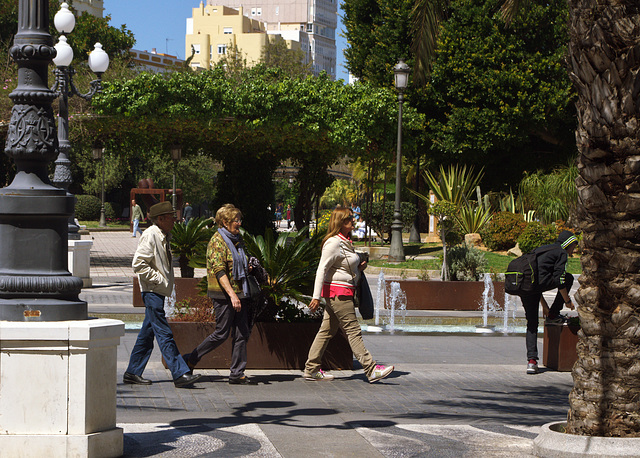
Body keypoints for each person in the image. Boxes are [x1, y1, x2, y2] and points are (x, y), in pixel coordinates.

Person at [304, 206, 394, 383]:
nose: (353, 220)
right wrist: (316, 296)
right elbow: (321, 269)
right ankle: (370, 369)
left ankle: (311, 369)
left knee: (326, 331)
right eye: (349, 219)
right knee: (353, 331)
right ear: (340, 222)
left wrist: (359, 269)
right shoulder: (333, 243)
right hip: (338, 294)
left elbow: (345, 269)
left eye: (352, 218)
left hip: (342, 292)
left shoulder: (345, 241)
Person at [124, 201, 202, 388]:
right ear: (161, 219)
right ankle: (179, 372)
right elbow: (138, 264)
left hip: (157, 291)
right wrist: (159, 280)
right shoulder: (151, 235)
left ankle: (132, 372)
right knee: (164, 333)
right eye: (171, 217)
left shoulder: (162, 235)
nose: (175, 220)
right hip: (152, 291)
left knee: (147, 334)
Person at [182, 204, 254, 385]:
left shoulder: (238, 239)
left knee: (241, 333)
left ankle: (237, 373)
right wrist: (232, 295)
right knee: (221, 333)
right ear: (225, 222)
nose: (239, 223)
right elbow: (219, 271)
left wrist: (248, 267)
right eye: (235, 220)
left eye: (239, 220)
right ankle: (191, 359)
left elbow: (237, 263)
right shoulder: (217, 241)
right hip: (224, 295)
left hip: (240, 292)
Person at [520, 230, 578, 375]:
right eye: (574, 246)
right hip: (532, 286)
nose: (574, 250)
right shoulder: (561, 253)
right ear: (568, 244)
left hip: (525, 286)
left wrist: (544, 306)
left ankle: (531, 362)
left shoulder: (543, 249)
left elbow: (536, 281)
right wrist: (568, 301)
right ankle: (554, 313)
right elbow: (560, 279)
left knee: (532, 323)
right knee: (568, 278)